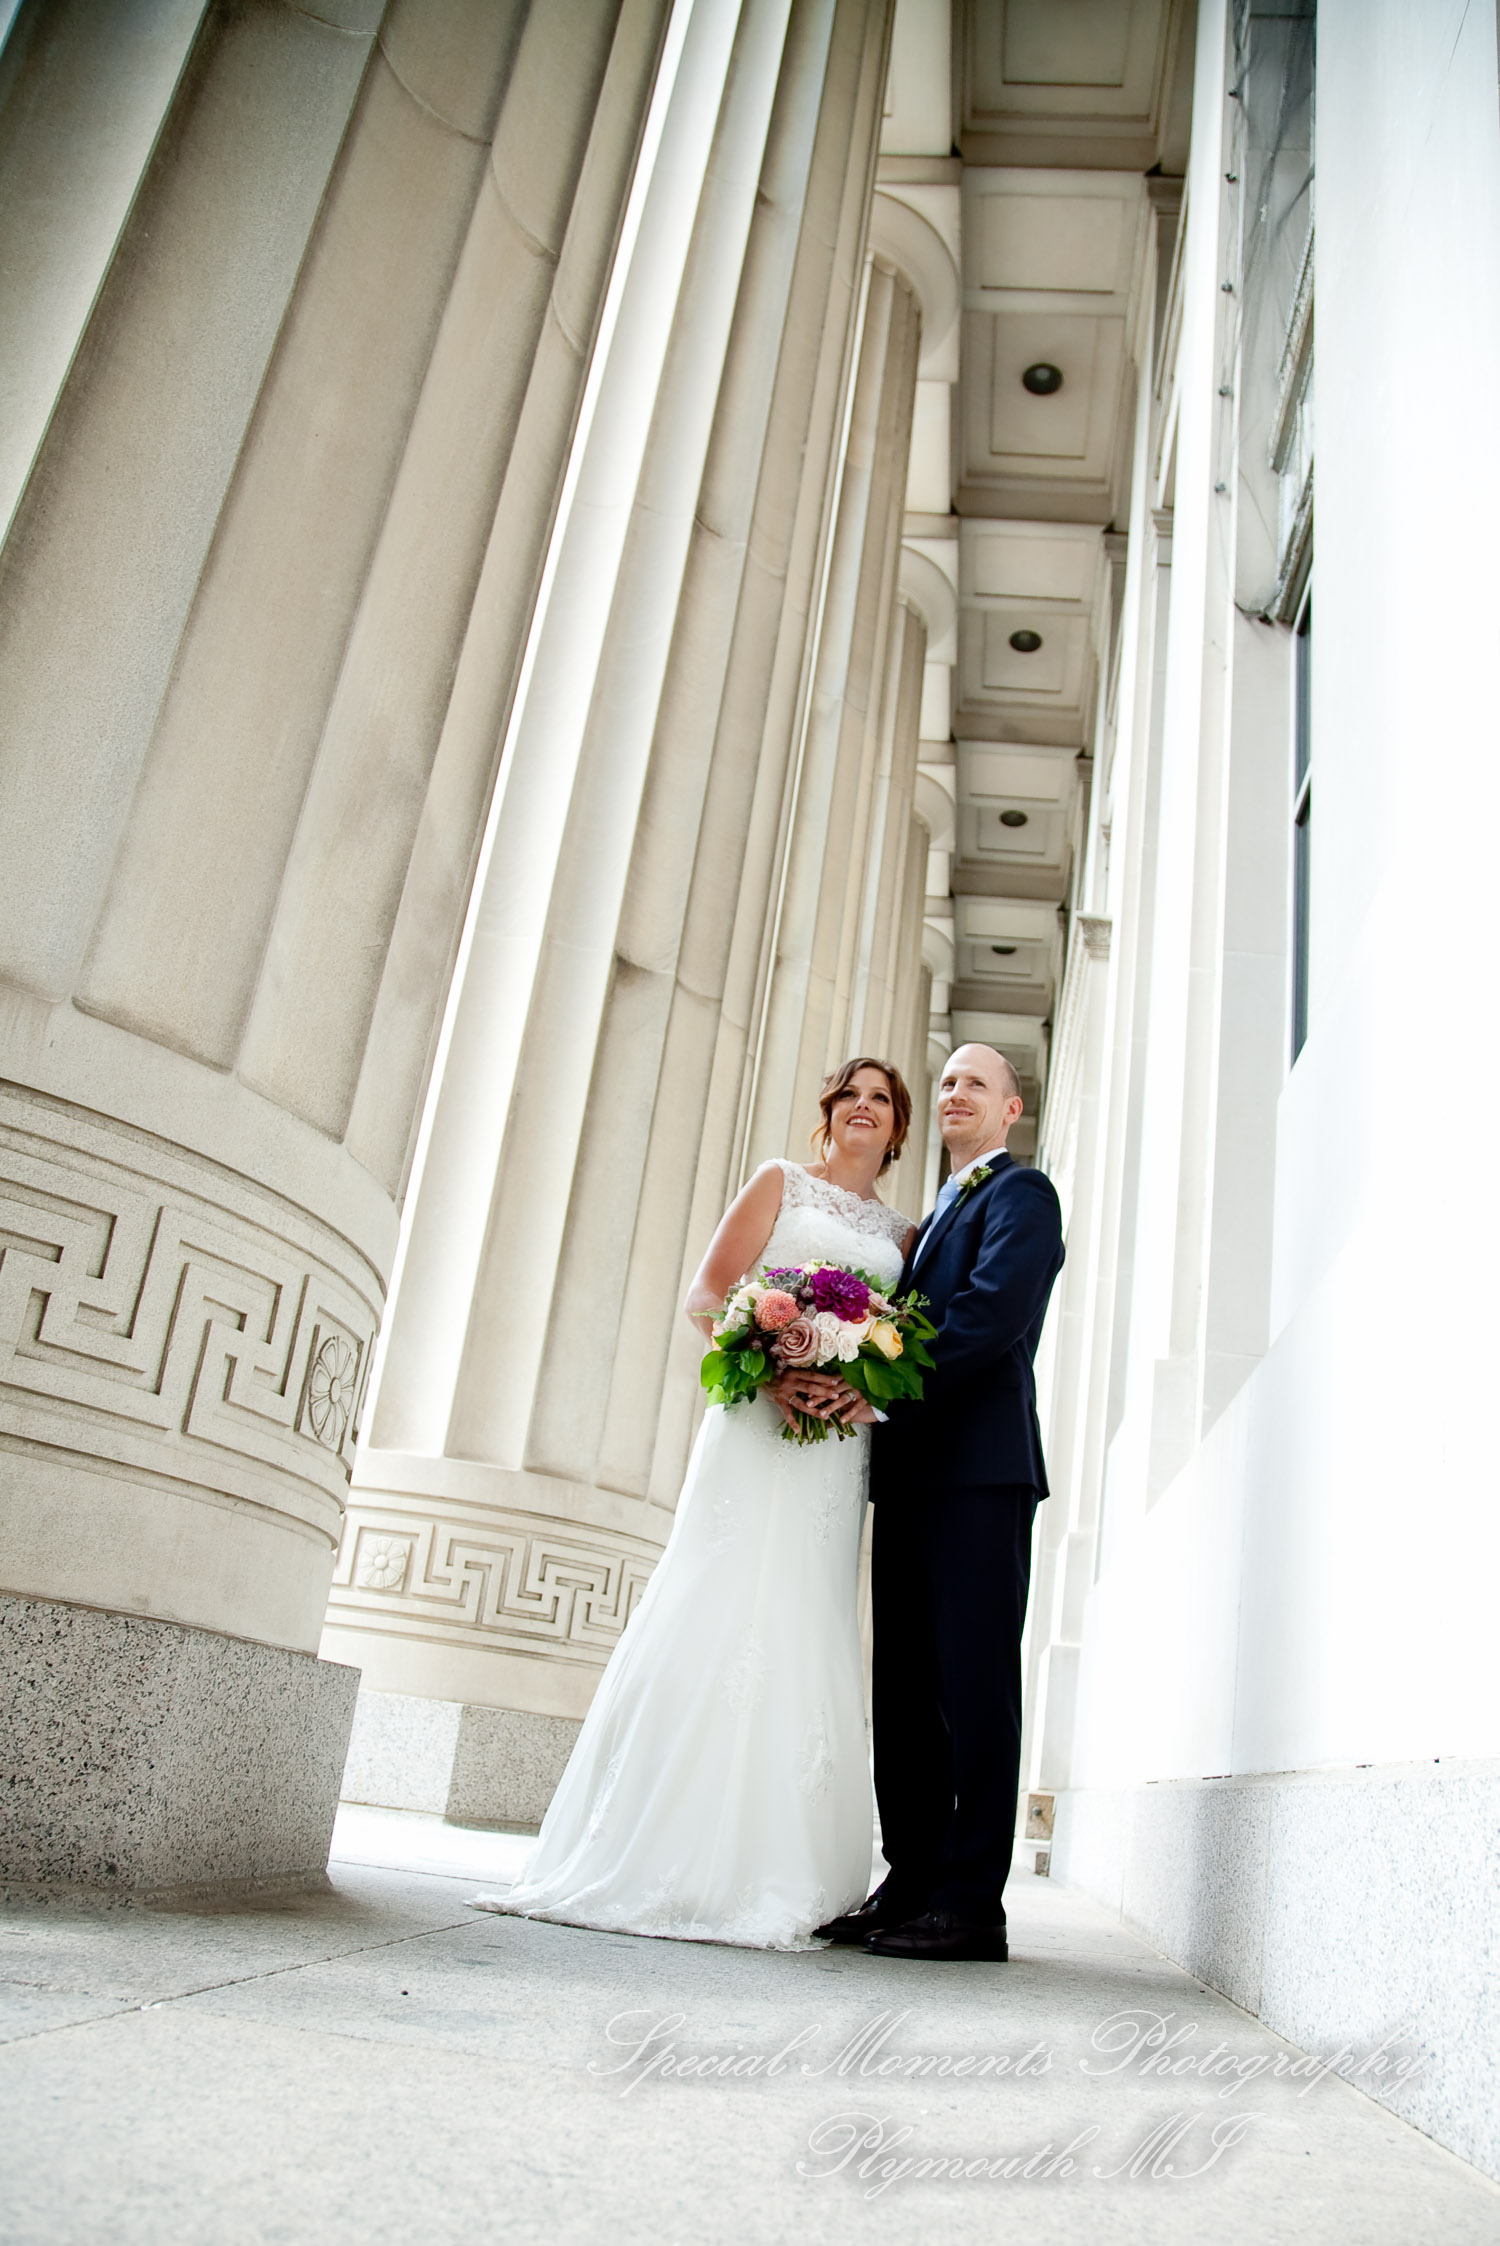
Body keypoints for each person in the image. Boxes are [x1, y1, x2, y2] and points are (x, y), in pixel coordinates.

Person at [469, 1059, 916, 1949]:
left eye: (881, 1100)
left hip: (833, 1450)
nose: (863, 1108)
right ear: (829, 1111)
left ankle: (783, 1864)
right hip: (752, 1422)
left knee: (805, 1615)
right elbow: (707, 1296)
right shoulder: (780, 1182)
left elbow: (895, 1342)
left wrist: (851, 1382)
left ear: (897, 1128)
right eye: (851, 1095)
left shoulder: (905, 1234)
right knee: (714, 1593)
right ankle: (649, 1842)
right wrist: (770, 1366)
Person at [814, 1042, 1064, 1962]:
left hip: (980, 1474)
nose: (956, 1093)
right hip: (911, 1475)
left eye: (976, 1084)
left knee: (973, 1686)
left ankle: (970, 1904)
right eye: (948, 1081)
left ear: (1010, 1110)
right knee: (908, 1692)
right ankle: (912, 1879)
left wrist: (875, 1386)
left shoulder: (1021, 1195)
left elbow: (991, 1315)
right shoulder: (930, 1221)